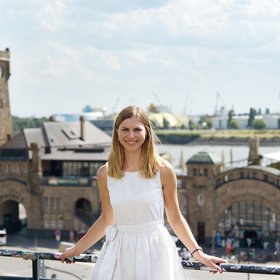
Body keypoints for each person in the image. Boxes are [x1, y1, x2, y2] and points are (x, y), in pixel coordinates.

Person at [61, 105, 226, 279]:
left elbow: (175, 218)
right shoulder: (105, 173)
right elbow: (107, 219)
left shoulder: (163, 170)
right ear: (116, 132)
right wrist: (76, 250)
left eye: (137, 130)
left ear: (146, 132)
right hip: (119, 250)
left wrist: (198, 254)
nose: (131, 135)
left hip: (155, 251)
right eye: (125, 129)